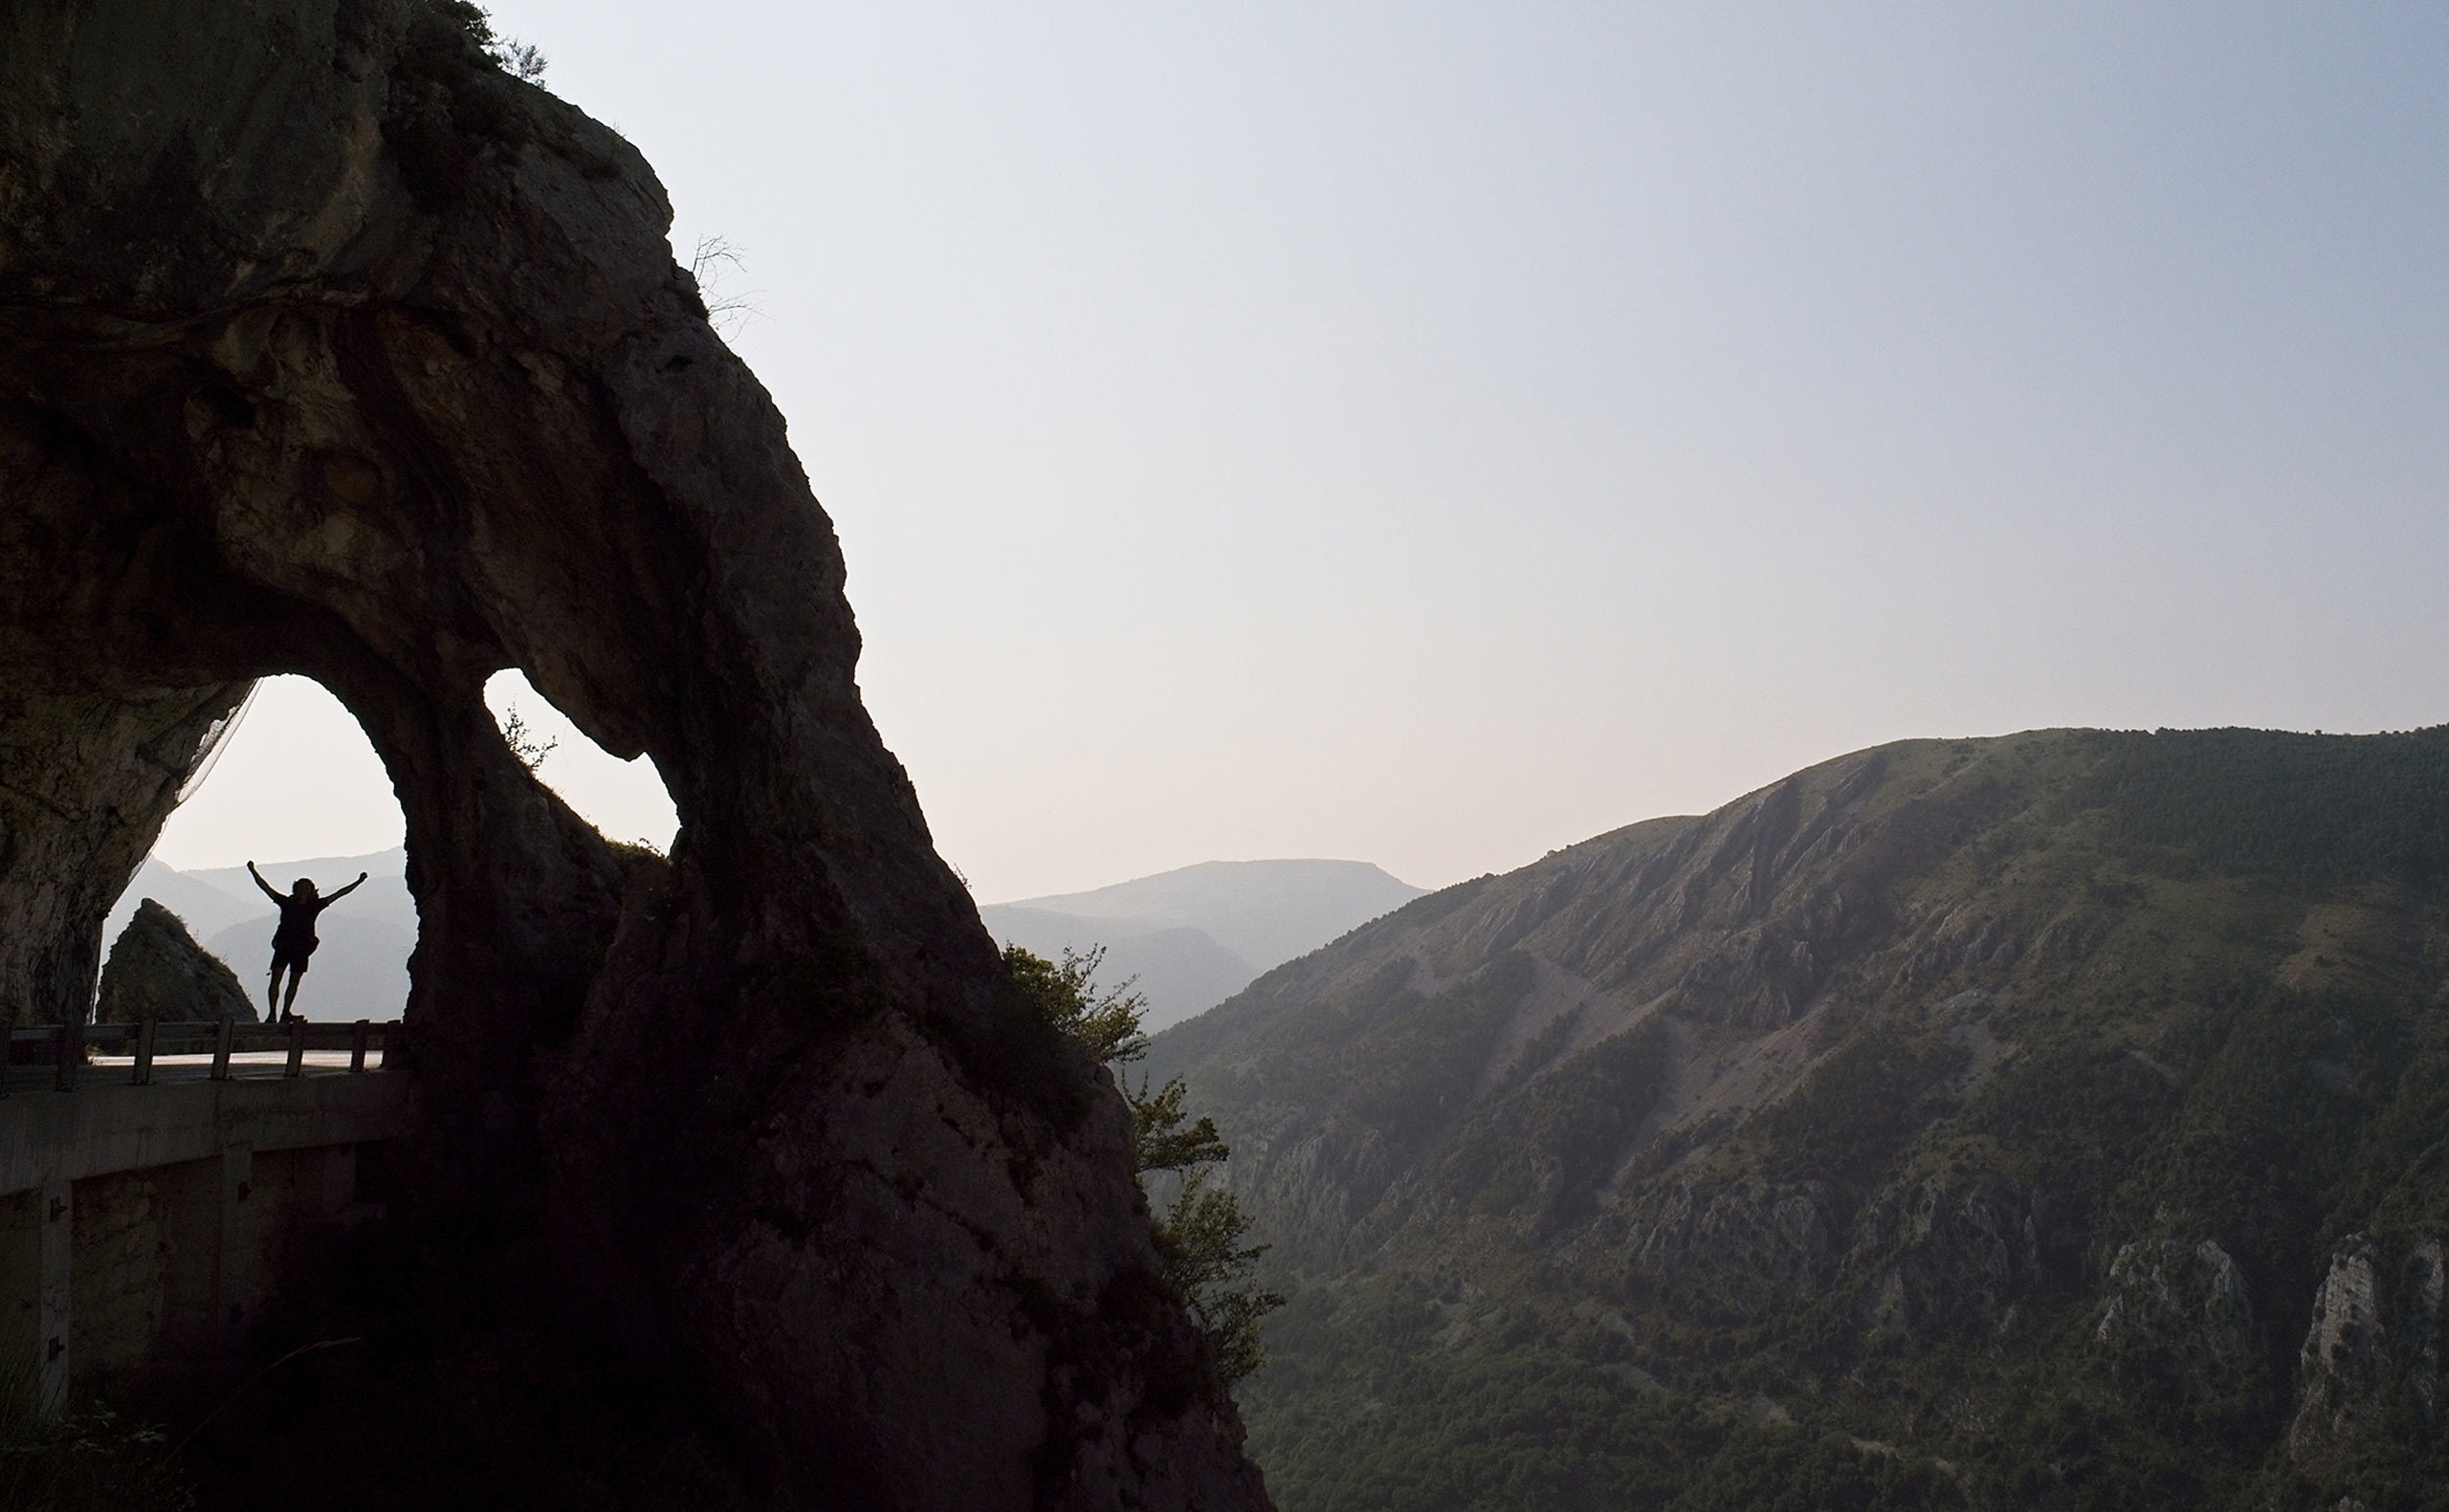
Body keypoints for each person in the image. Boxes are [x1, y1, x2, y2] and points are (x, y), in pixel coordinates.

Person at [246, 861, 368, 1023]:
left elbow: (339, 893)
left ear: (311, 891)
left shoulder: (311, 905)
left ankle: (284, 1012)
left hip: (299, 948)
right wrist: (253, 871)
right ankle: (273, 1014)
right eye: (301, 888)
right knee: (277, 979)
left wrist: (358, 882)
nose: (303, 891)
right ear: (296, 890)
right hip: (286, 946)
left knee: (292, 981)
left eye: (306, 889)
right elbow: (265, 887)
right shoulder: (289, 903)